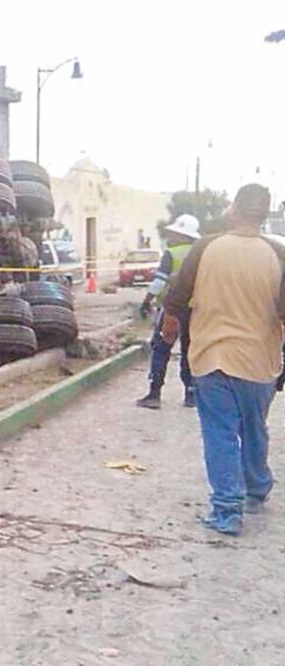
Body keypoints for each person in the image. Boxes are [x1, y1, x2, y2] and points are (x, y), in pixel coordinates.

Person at [163, 183, 284, 536]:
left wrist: (165, 339)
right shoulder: (278, 254)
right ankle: (258, 485)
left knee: (220, 432)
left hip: (212, 357)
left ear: (233, 209)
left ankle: (228, 510)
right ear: (264, 213)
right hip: (261, 361)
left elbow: (175, 305)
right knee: (254, 426)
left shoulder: (205, 248)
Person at [136, 214, 201, 409]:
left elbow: (159, 282)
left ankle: (154, 393)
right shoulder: (200, 254)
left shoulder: (171, 253)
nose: (171, 236)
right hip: (193, 309)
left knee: (161, 348)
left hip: (172, 308)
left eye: (174, 233)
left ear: (182, 235)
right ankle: (191, 393)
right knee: (189, 350)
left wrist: (146, 301)